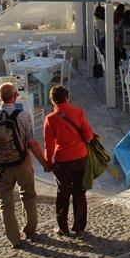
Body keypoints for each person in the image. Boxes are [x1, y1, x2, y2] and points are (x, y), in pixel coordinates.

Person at [0, 83, 49, 248]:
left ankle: (14, 239)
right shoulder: (23, 116)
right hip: (22, 163)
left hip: (1, 166)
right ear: (15, 96)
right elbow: (31, 142)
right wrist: (44, 163)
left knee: (5, 203)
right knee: (28, 195)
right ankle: (30, 230)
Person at [43, 85, 94, 239]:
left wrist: (48, 162)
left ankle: (63, 228)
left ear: (52, 101)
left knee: (63, 193)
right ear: (67, 97)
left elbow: (49, 145)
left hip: (63, 160)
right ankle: (79, 228)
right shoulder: (78, 112)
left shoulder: (50, 119)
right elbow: (89, 136)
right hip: (80, 157)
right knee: (79, 192)